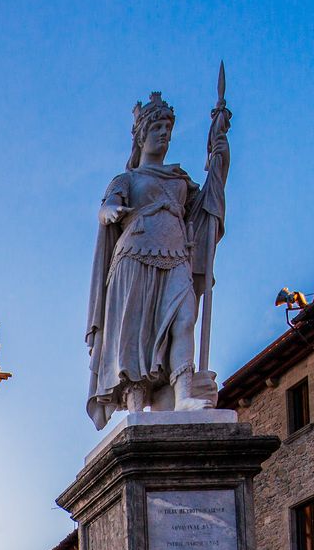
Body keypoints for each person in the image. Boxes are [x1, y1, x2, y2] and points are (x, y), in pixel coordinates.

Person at [85, 89, 229, 427]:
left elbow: (205, 210)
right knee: (136, 335)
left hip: (176, 255)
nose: (164, 134)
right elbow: (106, 207)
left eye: (168, 128)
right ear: (141, 136)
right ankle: (136, 404)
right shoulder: (126, 180)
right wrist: (110, 212)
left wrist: (220, 163)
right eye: (157, 128)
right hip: (134, 258)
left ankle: (184, 395)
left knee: (184, 319)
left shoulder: (180, 180)